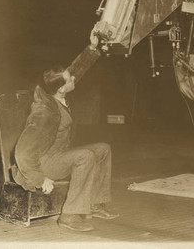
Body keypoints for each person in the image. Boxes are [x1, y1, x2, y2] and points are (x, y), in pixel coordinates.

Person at [13, 29, 119, 232]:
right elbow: (23, 152)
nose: (74, 80)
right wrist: (39, 179)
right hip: (44, 163)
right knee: (86, 156)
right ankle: (70, 215)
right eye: (70, 80)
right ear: (61, 88)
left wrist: (93, 47)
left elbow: (75, 70)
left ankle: (95, 204)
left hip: (58, 154)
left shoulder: (58, 91)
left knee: (103, 149)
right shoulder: (44, 112)